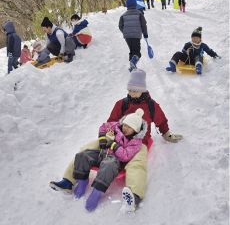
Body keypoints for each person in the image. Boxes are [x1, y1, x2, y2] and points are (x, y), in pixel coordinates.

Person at [49, 69, 183, 212]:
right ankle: (68, 181)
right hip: (116, 136)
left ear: (143, 90)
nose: (132, 93)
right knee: (86, 149)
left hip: (138, 142)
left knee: (137, 164)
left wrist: (167, 134)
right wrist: (107, 136)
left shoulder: (152, 106)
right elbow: (111, 122)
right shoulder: (122, 104)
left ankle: (134, 195)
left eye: (135, 90)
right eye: (130, 90)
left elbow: (161, 121)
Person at [72, 108, 146, 212]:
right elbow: (103, 127)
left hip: (115, 160)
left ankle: (96, 193)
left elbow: (126, 156)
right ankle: (82, 182)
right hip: (102, 153)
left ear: (136, 130)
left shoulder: (136, 142)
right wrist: (102, 139)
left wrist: (114, 145)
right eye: (125, 125)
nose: (125, 128)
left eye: (130, 127)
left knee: (108, 166)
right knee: (83, 155)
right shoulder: (116, 126)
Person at [119, 0, 148, 72]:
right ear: (135, 4)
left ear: (127, 5)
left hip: (127, 37)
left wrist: (125, 31)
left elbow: (120, 26)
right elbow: (143, 24)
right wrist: (145, 34)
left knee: (132, 50)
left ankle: (132, 66)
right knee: (137, 52)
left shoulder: (123, 15)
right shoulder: (139, 13)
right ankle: (133, 62)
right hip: (136, 36)